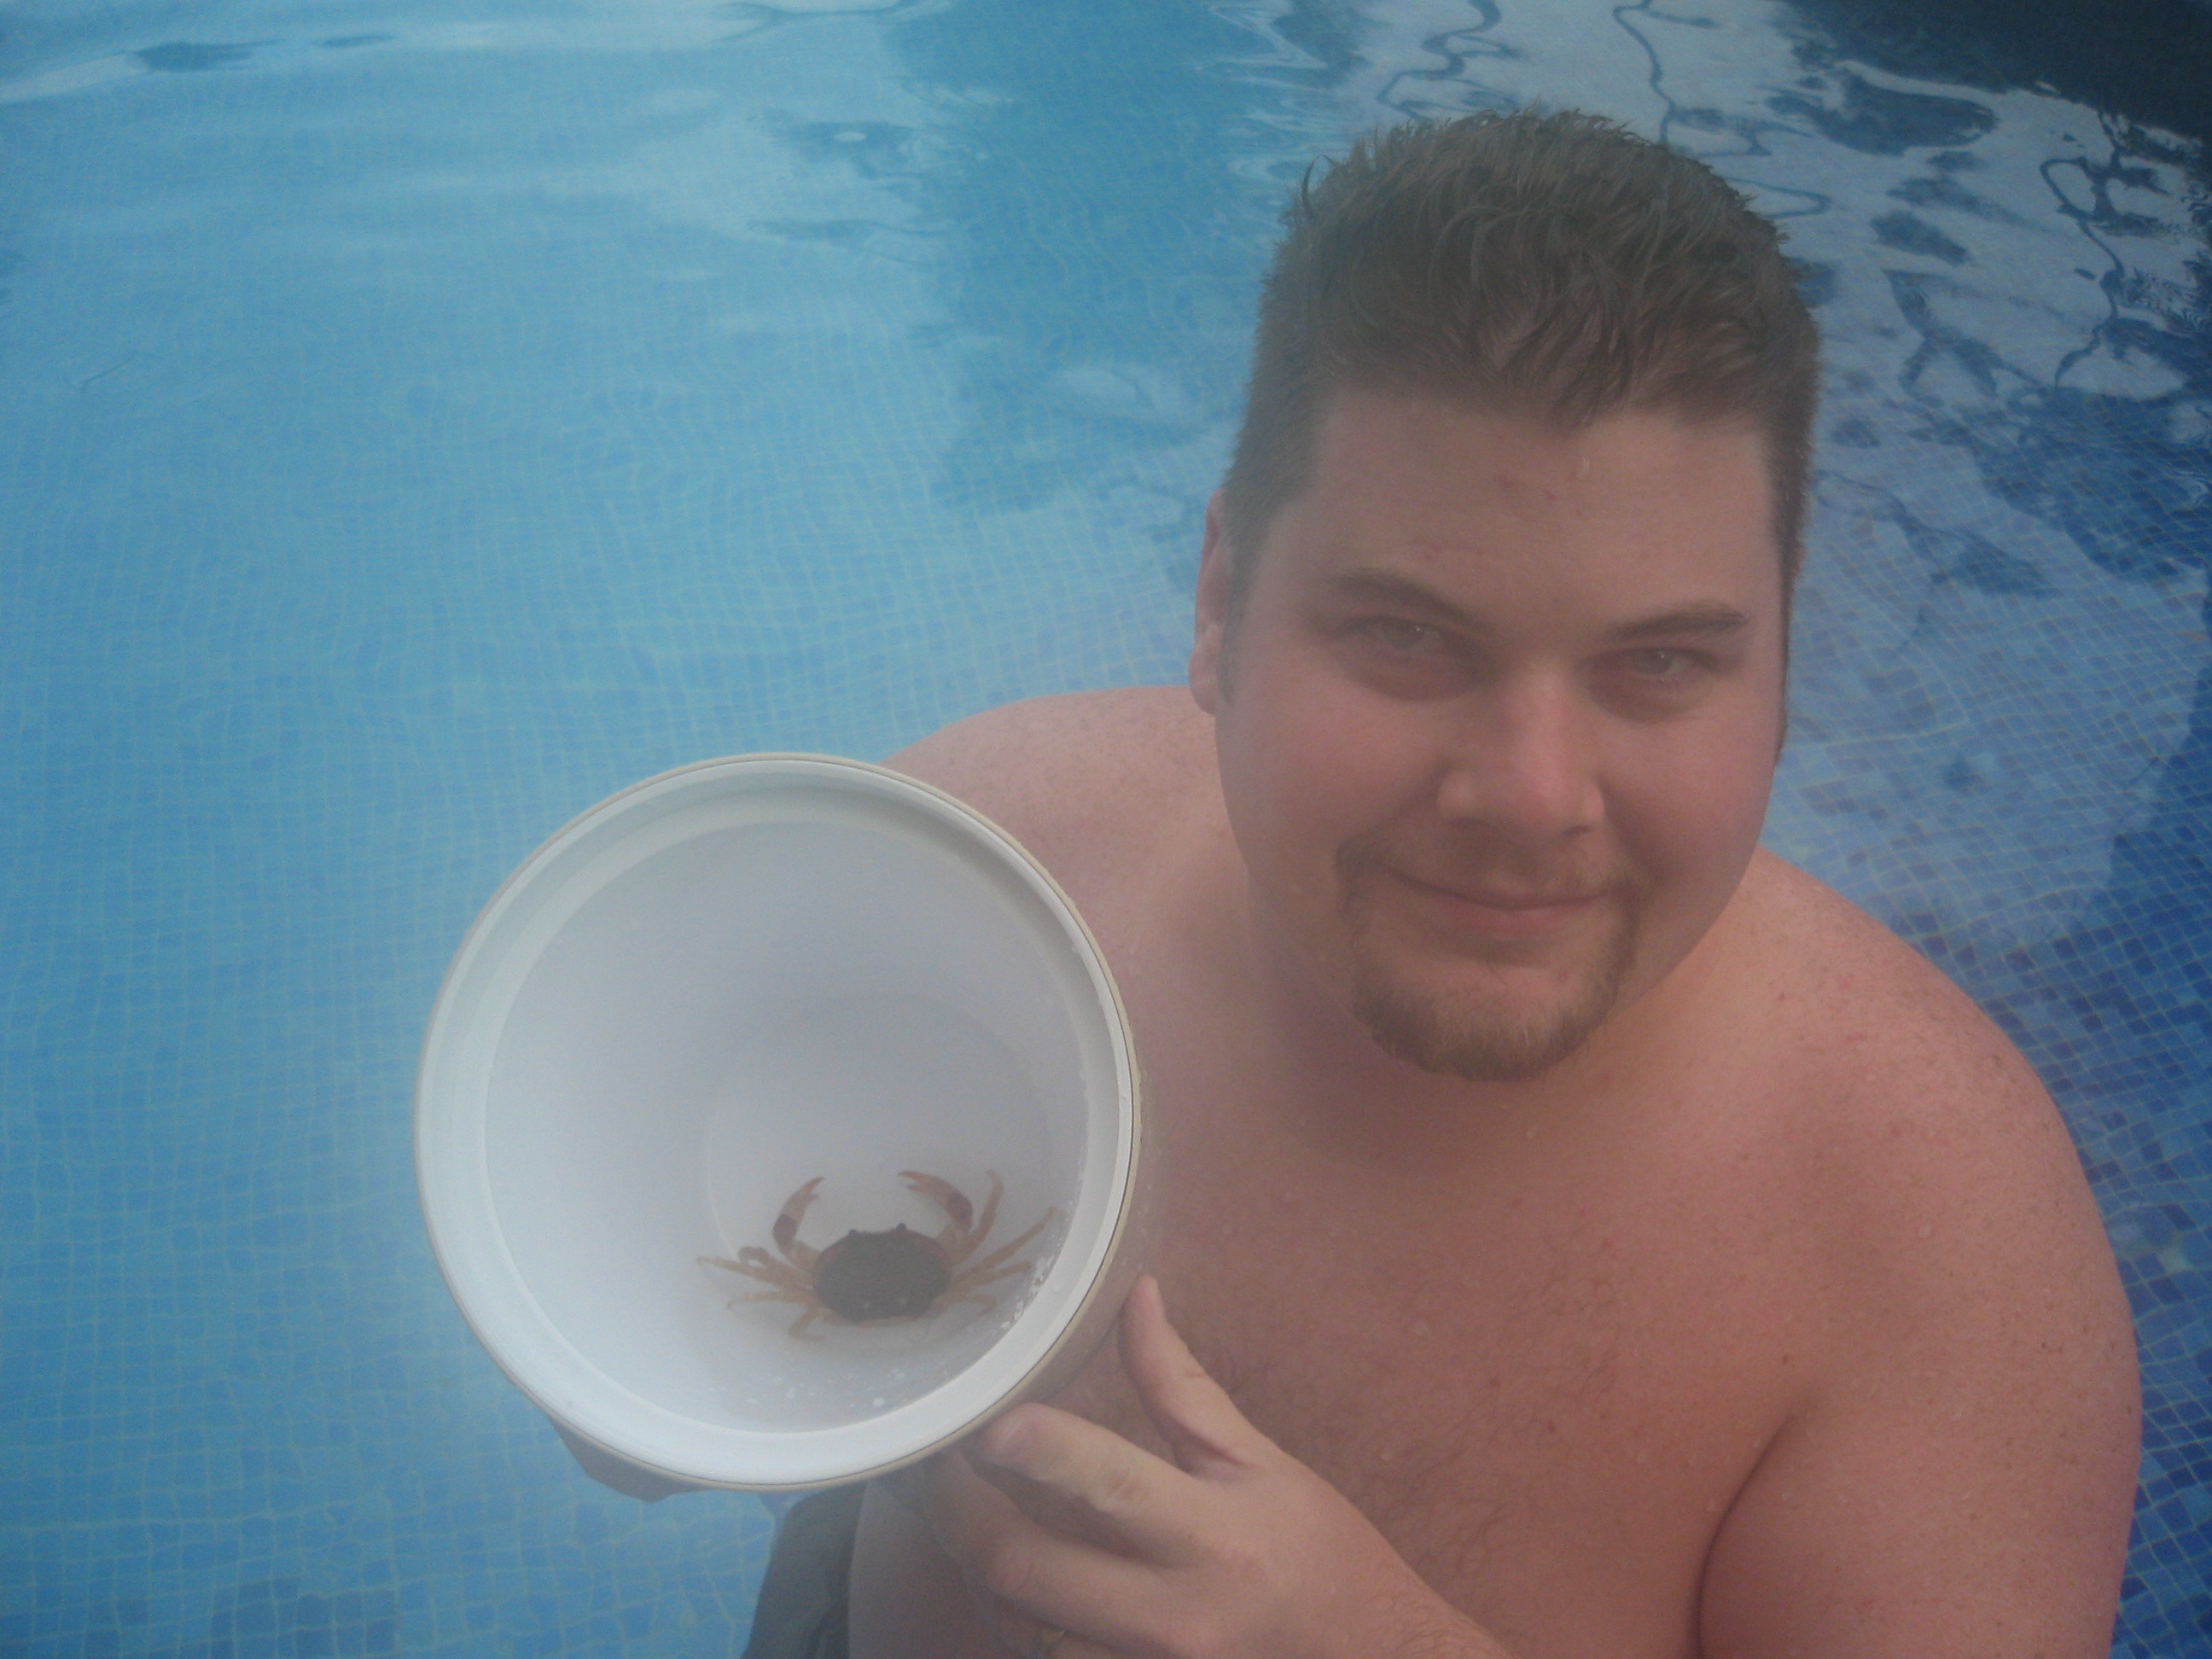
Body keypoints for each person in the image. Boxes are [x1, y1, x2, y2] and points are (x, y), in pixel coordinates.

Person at [746, 108, 2139, 1659]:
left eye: (1661, 663)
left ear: (1781, 661)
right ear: (1222, 601)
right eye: (1408, 638)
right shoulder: (979, 868)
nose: (1531, 798)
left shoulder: (1937, 1259)